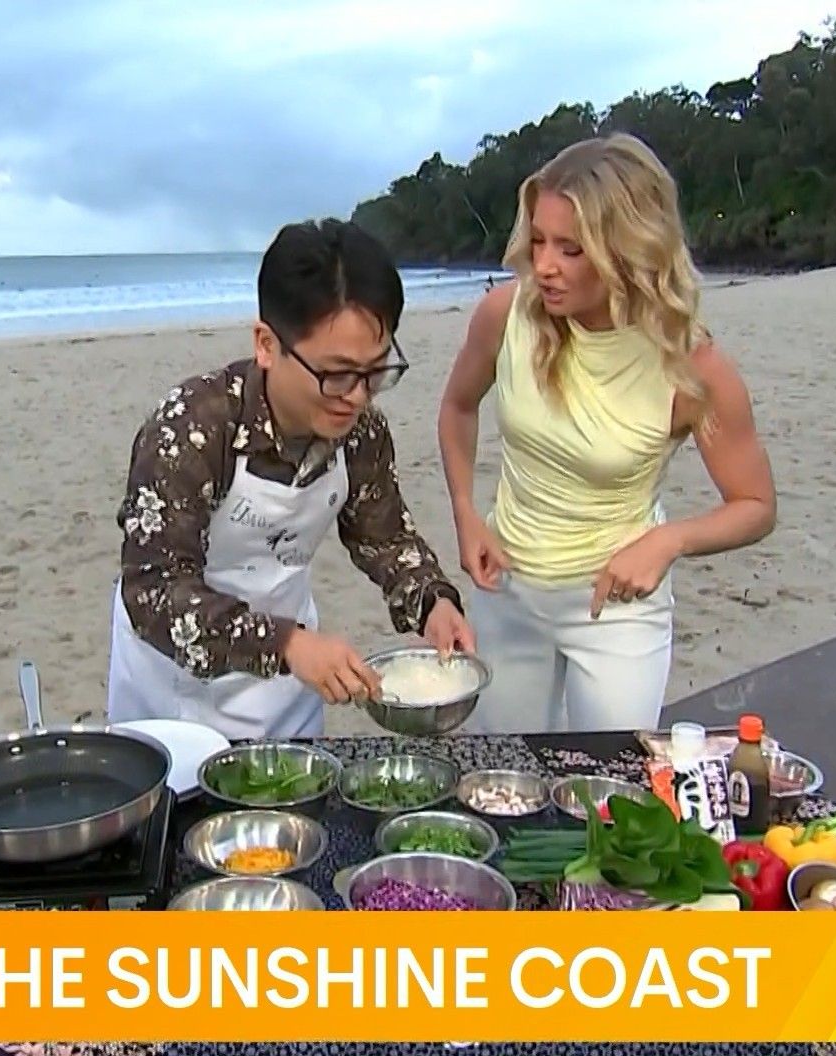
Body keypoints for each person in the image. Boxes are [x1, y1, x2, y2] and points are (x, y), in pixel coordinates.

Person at [437, 134, 776, 734]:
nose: (544, 266)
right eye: (538, 241)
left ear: (627, 249)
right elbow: (458, 407)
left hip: (616, 610)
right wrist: (465, 511)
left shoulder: (692, 367)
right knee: (506, 772)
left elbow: (755, 505)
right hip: (506, 594)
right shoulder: (504, 316)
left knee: (609, 779)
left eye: (571, 249)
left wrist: (669, 541)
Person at [107, 218, 476, 741]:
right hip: (173, 689)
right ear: (266, 344)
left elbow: (386, 537)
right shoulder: (192, 428)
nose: (357, 396)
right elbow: (153, 589)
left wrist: (433, 600)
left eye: (376, 371)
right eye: (337, 374)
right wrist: (285, 644)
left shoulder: (361, 432)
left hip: (289, 686)